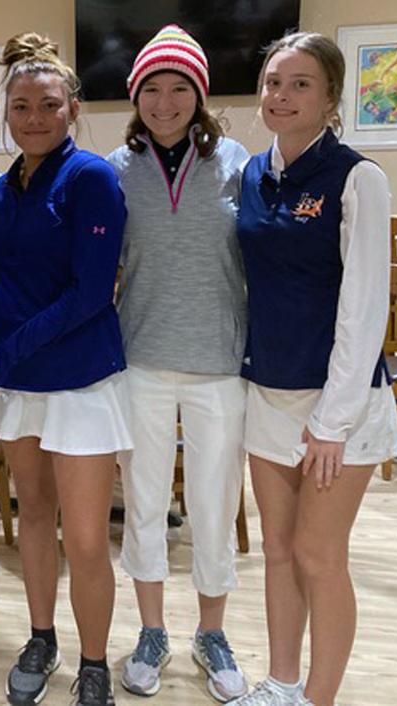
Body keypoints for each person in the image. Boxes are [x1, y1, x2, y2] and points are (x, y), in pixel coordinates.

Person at [231, 32, 397, 706]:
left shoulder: (359, 177)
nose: (281, 95)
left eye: (300, 84)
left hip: (340, 406)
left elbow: (363, 308)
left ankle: (317, 699)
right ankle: (279, 684)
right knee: (276, 552)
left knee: (318, 557)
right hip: (266, 392)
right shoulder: (251, 173)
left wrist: (332, 423)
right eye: (274, 82)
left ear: (331, 98)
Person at [0, 32, 130, 706]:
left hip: (81, 381)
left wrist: (12, 348)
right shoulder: (3, 191)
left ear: (73, 109)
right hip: (17, 383)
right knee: (32, 514)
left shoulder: (90, 177)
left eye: (49, 105)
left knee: (86, 539)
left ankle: (94, 663)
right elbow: (1, 284)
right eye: (22, 107)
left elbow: (92, 293)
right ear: (6, 114)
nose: (34, 118)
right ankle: (42, 635)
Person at [106, 25, 250, 702]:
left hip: (220, 362)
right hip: (142, 361)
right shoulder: (113, 170)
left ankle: (212, 633)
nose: (165, 102)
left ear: (200, 93)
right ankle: (153, 629)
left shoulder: (241, 165)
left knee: (215, 506)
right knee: (143, 502)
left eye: (179, 88)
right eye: (152, 89)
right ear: (136, 98)